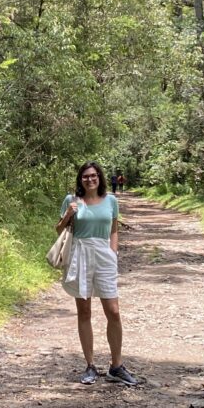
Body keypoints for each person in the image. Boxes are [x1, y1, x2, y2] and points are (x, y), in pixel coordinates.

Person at [55, 162, 139, 386]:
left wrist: (113, 253)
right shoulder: (71, 200)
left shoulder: (111, 200)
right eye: (85, 177)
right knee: (84, 311)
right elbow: (58, 229)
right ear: (80, 179)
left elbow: (113, 229)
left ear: (99, 178)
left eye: (93, 176)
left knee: (113, 311)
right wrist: (68, 215)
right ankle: (90, 365)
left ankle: (116, 366)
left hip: (104, 255)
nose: (89, 180)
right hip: (79, 254)